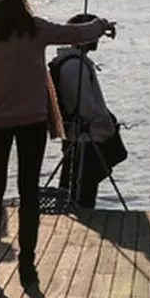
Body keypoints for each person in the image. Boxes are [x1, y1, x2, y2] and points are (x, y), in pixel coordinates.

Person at [0, 0, 114, 288]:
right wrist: (101, 25)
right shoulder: (34, 30)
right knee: (29, 192)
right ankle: (27, 265)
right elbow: (77, 34)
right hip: (31, 122)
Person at [49, 13, 121, 209]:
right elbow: (86, 107)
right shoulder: (74, 66)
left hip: (79, 136)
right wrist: (106, 124)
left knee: (78, 188)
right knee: (81, 193)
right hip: (84, 139)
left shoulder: (73, 63)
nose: (97, 38)